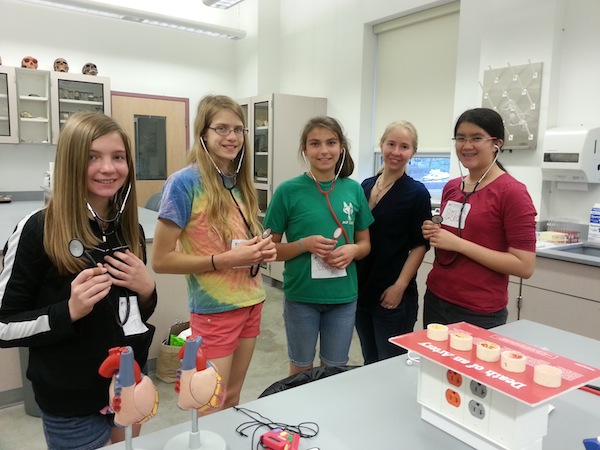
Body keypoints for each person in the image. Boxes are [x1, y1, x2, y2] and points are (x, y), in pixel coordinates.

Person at [0, 112, 157, 448]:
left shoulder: (131, 230)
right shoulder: (36, 230)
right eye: (92, 158)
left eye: (118, 157)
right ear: (71, 163)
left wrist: (147, 291)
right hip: (73, 404)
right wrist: (68, 311)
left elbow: (132, 316)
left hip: (129, 387)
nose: (108, 168)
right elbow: (4, 325)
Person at [151, 94, 276, 410]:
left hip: (251, 301)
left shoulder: (239, 181)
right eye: (221, 128)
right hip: (214, 310)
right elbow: (162, 259)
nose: (232, 137)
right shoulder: (184, 183)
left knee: (233, 397)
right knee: (210, 401)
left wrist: (260, 249)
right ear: (203, 133)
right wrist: (224, 260)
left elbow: (235, 239)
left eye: (238, 129)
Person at [263, 116, 374, 376]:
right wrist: (304, 244)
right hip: (302, 297)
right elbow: (269, 250)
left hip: (342, 298)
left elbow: (365, 243)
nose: (324, 150)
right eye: (315, 143)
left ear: (341, 148)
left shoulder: (354, 190)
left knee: (334, 370)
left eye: (331, 142)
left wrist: (353, 250)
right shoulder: (287, 192)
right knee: (301, 369)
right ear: (305, 149)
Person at [421, 107, 536, 329]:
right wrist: (434, 232)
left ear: (497, 143)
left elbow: (524, 266)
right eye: (461, 138)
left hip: (478, 310)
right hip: (437, 296)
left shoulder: (511, 192)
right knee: (433, 364)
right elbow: (453, 234)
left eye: (476, 138)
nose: (467, 146)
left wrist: (459, 244)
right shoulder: (453, 187)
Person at [356, 121, 431, 364]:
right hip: (361, 289)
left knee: (391, 363)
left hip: (392, 293)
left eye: (404, 146)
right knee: (369, 360)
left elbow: (419, 246)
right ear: (381, 145)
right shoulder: (365, 187)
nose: (396, 152)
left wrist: (399, 286)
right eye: (391, 144)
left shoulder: (416, 193)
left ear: (413, 152)